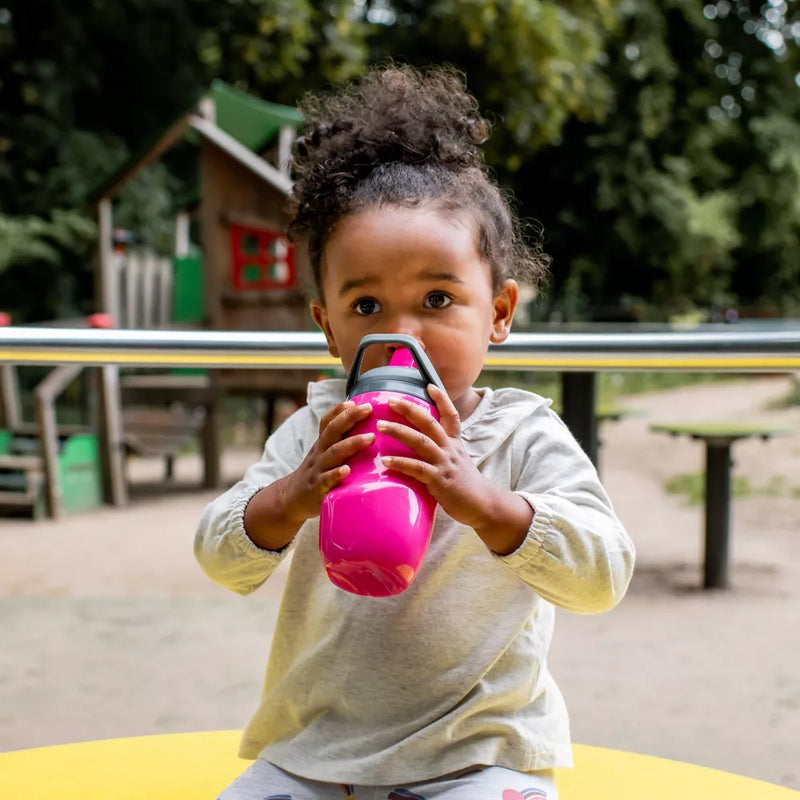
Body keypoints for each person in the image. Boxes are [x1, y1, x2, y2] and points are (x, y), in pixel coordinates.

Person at [195, 64, 635, 800]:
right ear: (326, 323)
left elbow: (603, 576)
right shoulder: (315, 431)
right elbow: (220, 556)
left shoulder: (520, 432)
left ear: (498, 312)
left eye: (437, 298)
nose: (403, 335)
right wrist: (294, 496)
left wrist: (488, 504)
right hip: (314, 755)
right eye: (366, 306)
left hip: (475, 757)